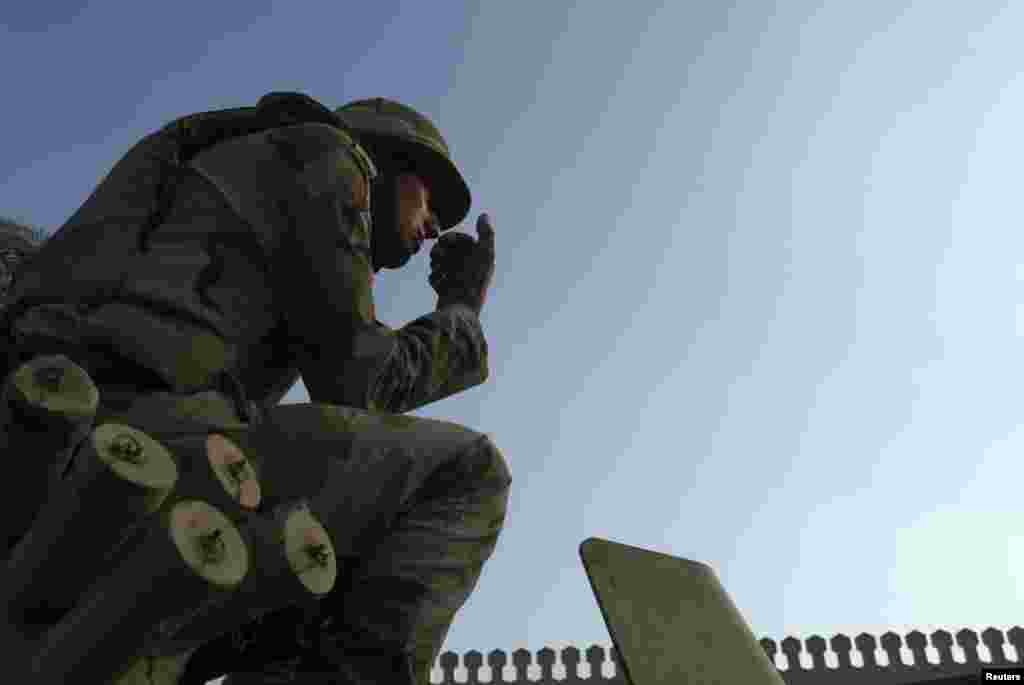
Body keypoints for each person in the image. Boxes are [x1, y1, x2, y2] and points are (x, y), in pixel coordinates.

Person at [3, 95, 512, 684]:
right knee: (467, 472)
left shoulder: (245, 165)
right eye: (432, 199)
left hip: (111, 418)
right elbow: (363, 381)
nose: (432, 227)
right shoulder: (327, 157)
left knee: (323, 565)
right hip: (146, 426)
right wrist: (461, 311)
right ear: (388, 160)